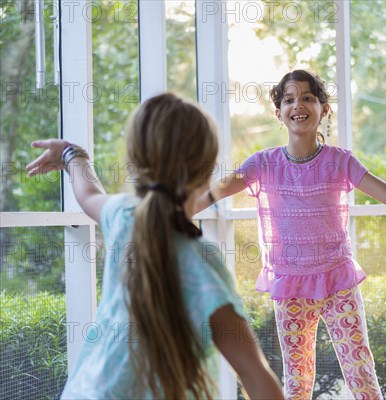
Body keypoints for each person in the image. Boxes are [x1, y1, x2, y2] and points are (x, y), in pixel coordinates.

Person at [194, 70, 386, 400]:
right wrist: (165, 214)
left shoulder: (339, 162)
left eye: (307, 98)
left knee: (360, 373)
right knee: (297, 381)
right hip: (290, 284)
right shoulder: (264, 163)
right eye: (289, 99)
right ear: (278, 114)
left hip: (337, 282)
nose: (298, 105)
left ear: (323, 109)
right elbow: (216, 191)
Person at [26, 93, 284, 400]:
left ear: (136, 162)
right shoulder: (202, 261)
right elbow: (254, 374)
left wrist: (71, 153)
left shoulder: (123, 218)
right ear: (208, 170)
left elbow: (88, 193)